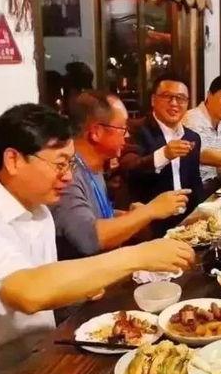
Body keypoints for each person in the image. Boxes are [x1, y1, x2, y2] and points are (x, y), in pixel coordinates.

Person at [0, 104, 194, 363]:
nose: (68, 177)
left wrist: (80, 287)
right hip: (7, 372)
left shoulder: (39, 209)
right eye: (60, 164)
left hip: (44, 350)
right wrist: (138, 256)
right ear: (13, 160)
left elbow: (44, 282)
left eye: (70, 164)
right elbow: (27, 293)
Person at [51, 91, 190, 260]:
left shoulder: (92, 166)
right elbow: (89, 238)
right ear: (96, 132)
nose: (127, 135)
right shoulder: (67, 176)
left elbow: (99, 215)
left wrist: (130, 216)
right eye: (122, 128)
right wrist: (150, 210)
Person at [119, 75, 202, 234]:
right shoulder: (135, 129)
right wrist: (164, 154)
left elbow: (195, 182)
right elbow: (128, 169)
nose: (174, 103)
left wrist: (200, 216)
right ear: (153, 100)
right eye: (167, 96)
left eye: (181, 98)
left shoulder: (192, 137)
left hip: (185, 222)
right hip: (147, 225)